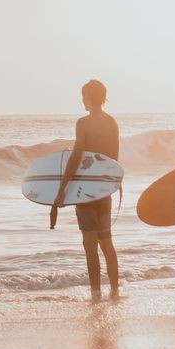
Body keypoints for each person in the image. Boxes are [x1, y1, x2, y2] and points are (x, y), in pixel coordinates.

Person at [53, 79, 121, 301]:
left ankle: (95, 294)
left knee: (90, 246)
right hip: (104, 189)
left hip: (85, 191)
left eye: (83, 96)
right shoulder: (112, 122)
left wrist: (63, 188)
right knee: (107, 243)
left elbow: (76, 156)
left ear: (88, 98)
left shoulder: (83, 123)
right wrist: (112, 184)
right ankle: (115, 291)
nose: (82, 101)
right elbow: (114, 159)